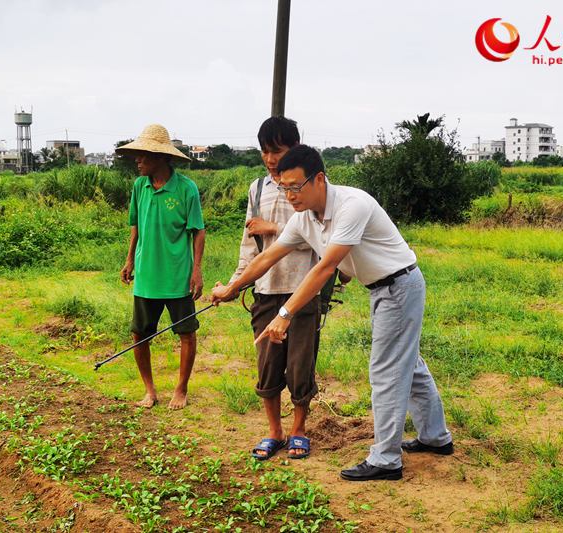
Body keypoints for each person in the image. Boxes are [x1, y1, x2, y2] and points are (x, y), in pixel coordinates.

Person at [211, 144, 453, 481]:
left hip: (398, 286)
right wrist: (233, 287)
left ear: (319, 179)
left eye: (296, 186)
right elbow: (267, 257)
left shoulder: (351, 205)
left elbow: (326, 268)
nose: (290, 195)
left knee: (386, 371)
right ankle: (435, 437)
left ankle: (386, 459)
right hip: (385, 287)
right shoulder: (304, 220)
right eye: (284, 188)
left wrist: (285, 313)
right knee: (408, 364)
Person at [213, 116, 320, 460]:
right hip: (266, 288)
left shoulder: (307, 187)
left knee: (301, 363)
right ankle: (275, 431)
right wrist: (237, 282)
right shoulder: (257, 189)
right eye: (265, 151)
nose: (271, 158)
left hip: (303, 289)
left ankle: (298, 429)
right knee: (268, 364)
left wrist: (271, 227)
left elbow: (317, 238)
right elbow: (249, 244)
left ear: (295, 150)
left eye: (278, 150)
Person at [117, 123, 205, 410]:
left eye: (143, 156)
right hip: (146, 274)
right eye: (138, 156)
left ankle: (181, 389)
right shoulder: (139, 187)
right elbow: (135, 226)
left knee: (186, 333)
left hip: (178, 276)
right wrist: (130, 259)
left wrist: (197, 270)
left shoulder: (186, 189)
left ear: (160, 157)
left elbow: (198, 231)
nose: (138, 161)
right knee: (139, 333)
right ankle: (150, 390)